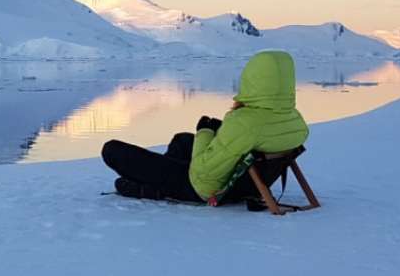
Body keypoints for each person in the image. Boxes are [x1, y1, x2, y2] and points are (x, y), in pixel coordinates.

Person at [102, 50, 310, 204]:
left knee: (112, 150)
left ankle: (158, 189)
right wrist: (220, 132)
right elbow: (242, 144)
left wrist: (204, 131)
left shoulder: (245, 122)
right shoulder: (294, 119)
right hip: (246, 184)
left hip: (206, 188)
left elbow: (203, 173)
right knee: (183, 140)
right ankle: (158, 185)